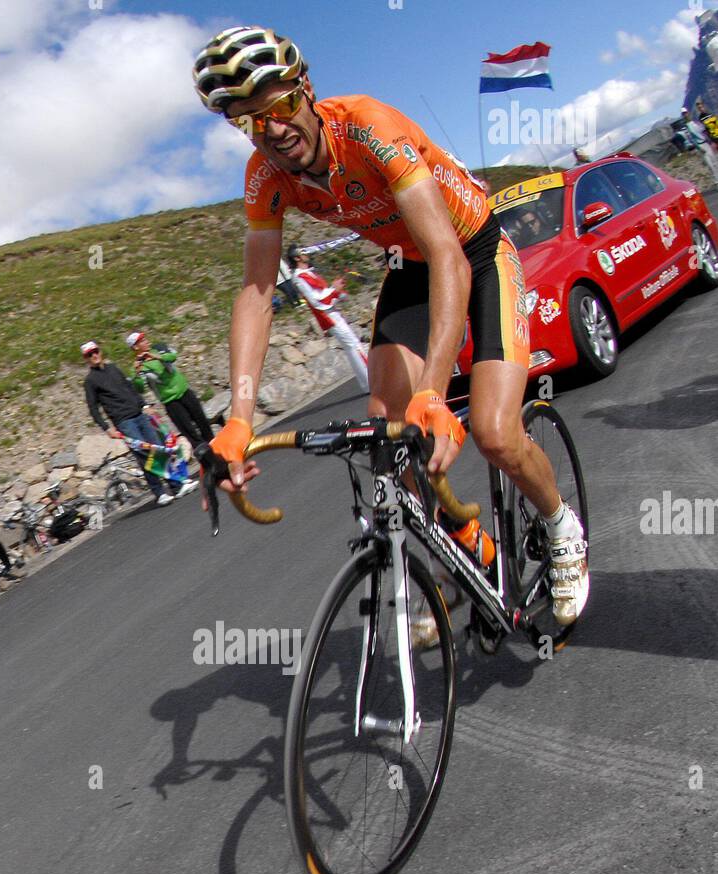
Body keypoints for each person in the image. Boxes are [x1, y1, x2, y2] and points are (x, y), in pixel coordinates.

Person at [192, 26, 588, 624]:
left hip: (473, 253)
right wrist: (239, 420)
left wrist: (432, 390)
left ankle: (562, 529)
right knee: (389, 433)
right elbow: (256, 292)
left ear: (306, 90)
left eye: (277, 107)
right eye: (249, 121)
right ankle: (464, 540)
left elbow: (448, 255)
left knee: (494, 433)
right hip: (410, 269)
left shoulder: (369, 127)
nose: (271, 130)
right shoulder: (264, 178)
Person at [81, 340, 197, 506]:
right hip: (124, 421)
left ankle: (176, 486)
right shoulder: (90, 381)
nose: (94, 356)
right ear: (86, 359)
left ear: (100, 351)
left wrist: (145, 405)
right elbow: (93, 408)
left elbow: (130, 388)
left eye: (95, 351)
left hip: (139, 414)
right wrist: (106, 428)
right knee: (144, 455)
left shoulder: (113, 368)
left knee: (158, 447)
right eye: (89, 355)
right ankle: (159, 492)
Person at [285, 245, 370, 391]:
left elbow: (324, 292)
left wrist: (337, 293)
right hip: (328, 316)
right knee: (353, 346)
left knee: (352, 346)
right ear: (297, 258)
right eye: (303, 252)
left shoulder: (309, 273)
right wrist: (333, 290)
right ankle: (371, 380)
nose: (306, 254)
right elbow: (316, 300)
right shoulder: (300, 277)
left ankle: (368, 383)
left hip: (332, 312)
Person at [126, 330, 215, 450]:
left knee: (202, 421)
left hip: (184, 391)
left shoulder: (158, 348)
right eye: (142, 341)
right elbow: (140, 388)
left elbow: (173, 356)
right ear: (136, 347)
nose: (146, 341)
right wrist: (137, 373)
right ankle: (205, 456)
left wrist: (156, 357)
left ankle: (216, 446)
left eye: (145, 339)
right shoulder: (137, 367)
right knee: (189, 431)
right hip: (170, 400)